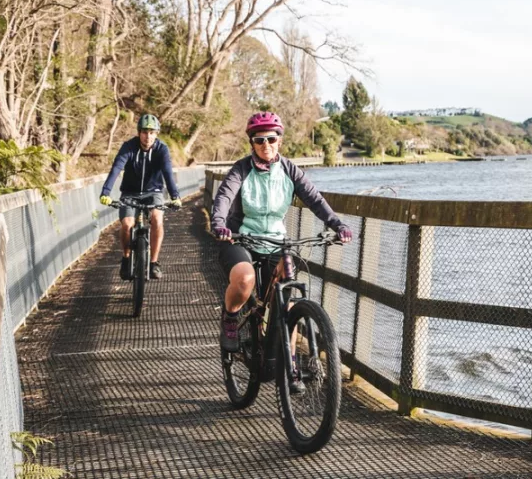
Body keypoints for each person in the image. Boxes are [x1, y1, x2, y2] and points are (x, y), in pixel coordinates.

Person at [210, 111, 352, 354]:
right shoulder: (241, 169)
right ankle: (230, 317)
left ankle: (291, 366)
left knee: (288, 303)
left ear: (279, 140)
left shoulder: (289, 170)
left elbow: (315, 200)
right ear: (252, 143)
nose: (266, 144)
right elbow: (224, 196)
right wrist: (219, 222)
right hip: (240, 238)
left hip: (276, 241)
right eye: (259, 140)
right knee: (245, 280)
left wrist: (337, 225)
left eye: (271, 139)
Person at [100, 114, 182, 280]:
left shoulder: (162, 149)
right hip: (130, 192)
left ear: (157, 133)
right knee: (127, 225)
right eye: (145, 132)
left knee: (157, 219)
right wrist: (106, 192)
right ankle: (126, 257)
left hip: (154, 192)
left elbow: (167, 172)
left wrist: (175, 196)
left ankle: (153, 263)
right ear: (139, 133)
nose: (148, 136)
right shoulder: (128, 147)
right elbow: (117, 168)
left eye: (152, 132)